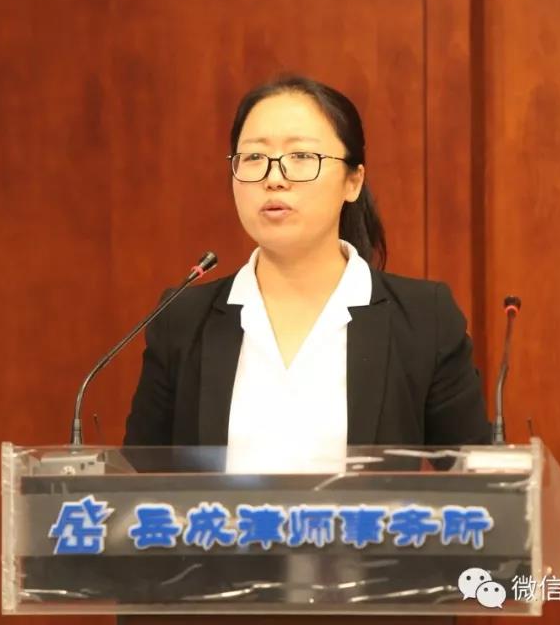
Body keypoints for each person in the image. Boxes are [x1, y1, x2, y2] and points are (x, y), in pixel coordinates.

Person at [123, 75, 493, 458]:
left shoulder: (424, 319)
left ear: (353, 181)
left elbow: (482, 479)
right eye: (254, 157)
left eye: (301, 157)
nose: (274, 178)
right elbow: (136, 478)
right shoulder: (183, 321)